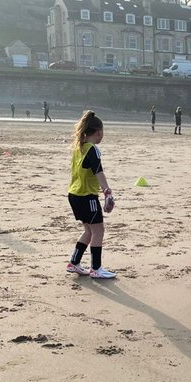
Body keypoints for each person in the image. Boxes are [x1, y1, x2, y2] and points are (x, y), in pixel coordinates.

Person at [65, 110, 116, 279]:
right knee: (98, 230)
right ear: (99, 132)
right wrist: (107, 193)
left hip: (74, 194)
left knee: (88, 230)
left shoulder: (78, 147)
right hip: (87, 196)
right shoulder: (92, 149)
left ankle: (74, 262)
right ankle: (96, 268)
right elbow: (98, 171)